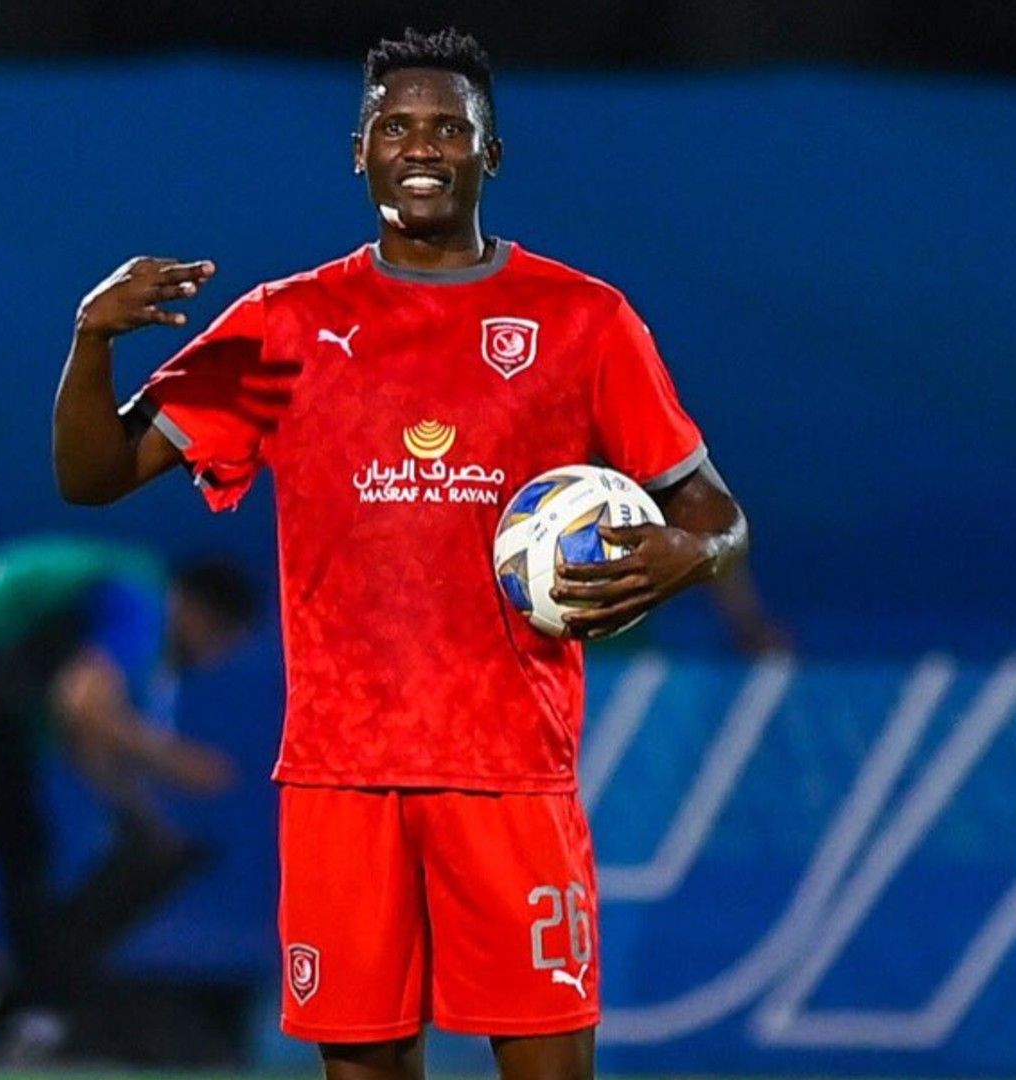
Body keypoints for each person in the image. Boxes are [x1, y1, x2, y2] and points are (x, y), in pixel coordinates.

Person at [51, 28, 750, 1080]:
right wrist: (91, 340)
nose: (422, 146)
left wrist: (685, 558)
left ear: (490, 155)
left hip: (510, 774)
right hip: (343, 777)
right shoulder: (287, 327)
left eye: (448, 128)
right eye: (397, 125)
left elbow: (715, 513)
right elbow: (96, 474)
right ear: (360, 150)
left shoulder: (581, 322)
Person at [0, 536, 257, 1053]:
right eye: (221, 642)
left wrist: (138, 812)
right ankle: (38, 1016)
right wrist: (174, 762)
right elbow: (85, 705)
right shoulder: (141, 595)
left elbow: (80, 734)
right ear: (203, 612)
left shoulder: (105, 586)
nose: (210, 658)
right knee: (24, 853)